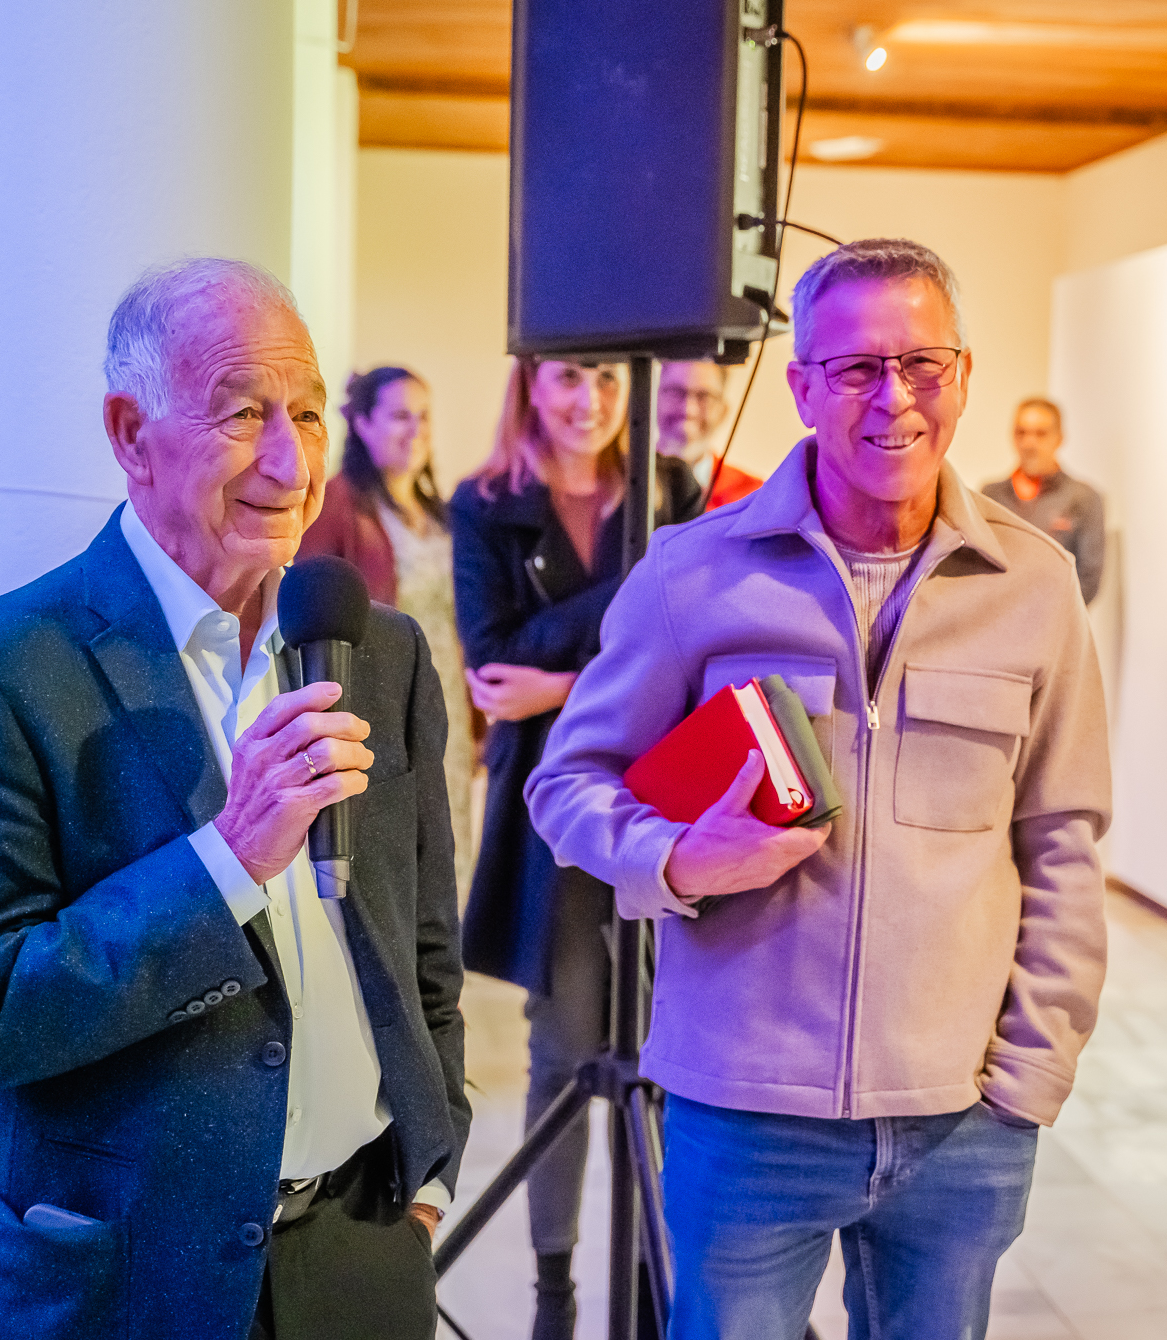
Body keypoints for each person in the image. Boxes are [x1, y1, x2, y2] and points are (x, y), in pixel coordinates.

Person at [527, 237, 1112, 1339]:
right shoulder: (694, 571)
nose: (894, 398)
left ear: (962, 376)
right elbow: (568, 783)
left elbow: (1063, 841)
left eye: (922, 364)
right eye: (855, 369)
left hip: (959, 1122)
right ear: (800, 386)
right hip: (743, 1117)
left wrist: (1031, 1070)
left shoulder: (1034, 584)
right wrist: (677, 859)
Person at [0, 259, 468, 1340]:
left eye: (307, 414)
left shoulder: (377, 651)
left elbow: (421, 938)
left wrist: (430, 1163)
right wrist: (228, 859)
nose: (292, 462)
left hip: (361, 1255)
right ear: (130, 433)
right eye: (243, 414)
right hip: (116, 1278)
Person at [448, 356, 699, 1340]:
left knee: (668, 1056)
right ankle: (553, 1293)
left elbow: (688, 644)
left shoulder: (668, 486)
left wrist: (559, 684)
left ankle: (656, 1278)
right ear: (528, 384)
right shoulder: (486, 503)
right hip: (553, 809)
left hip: (666, 792)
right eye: (566, 379)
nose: (589, 400)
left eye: (605, 378)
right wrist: (633, 595)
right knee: (562, 1052)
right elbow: (491, 659)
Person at [298, 364, 476, 893]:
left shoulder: (441, 513)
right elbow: (309, 608)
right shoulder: (336, 505)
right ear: (364, 424)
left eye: (424, 416)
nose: (415, 430)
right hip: (382, 700)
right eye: (400, 416)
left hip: (449, 699)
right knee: (396, 849)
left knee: (451, 840)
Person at [980, 396, 1105, 603]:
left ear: (1059, 438)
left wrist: (1045, 617)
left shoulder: (1084, 498)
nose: (1029, 443)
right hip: (999, 616)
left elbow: (1088, 580)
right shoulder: (990, 496)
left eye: (1041, 433)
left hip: (1059, 617)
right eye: (1021, 433)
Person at [657, 359, 760, 509]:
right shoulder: (622, 483)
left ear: (722, 412)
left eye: (704, 396)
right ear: (653, 399)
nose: (688, 410)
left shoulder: (753, 497)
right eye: (675, 392)